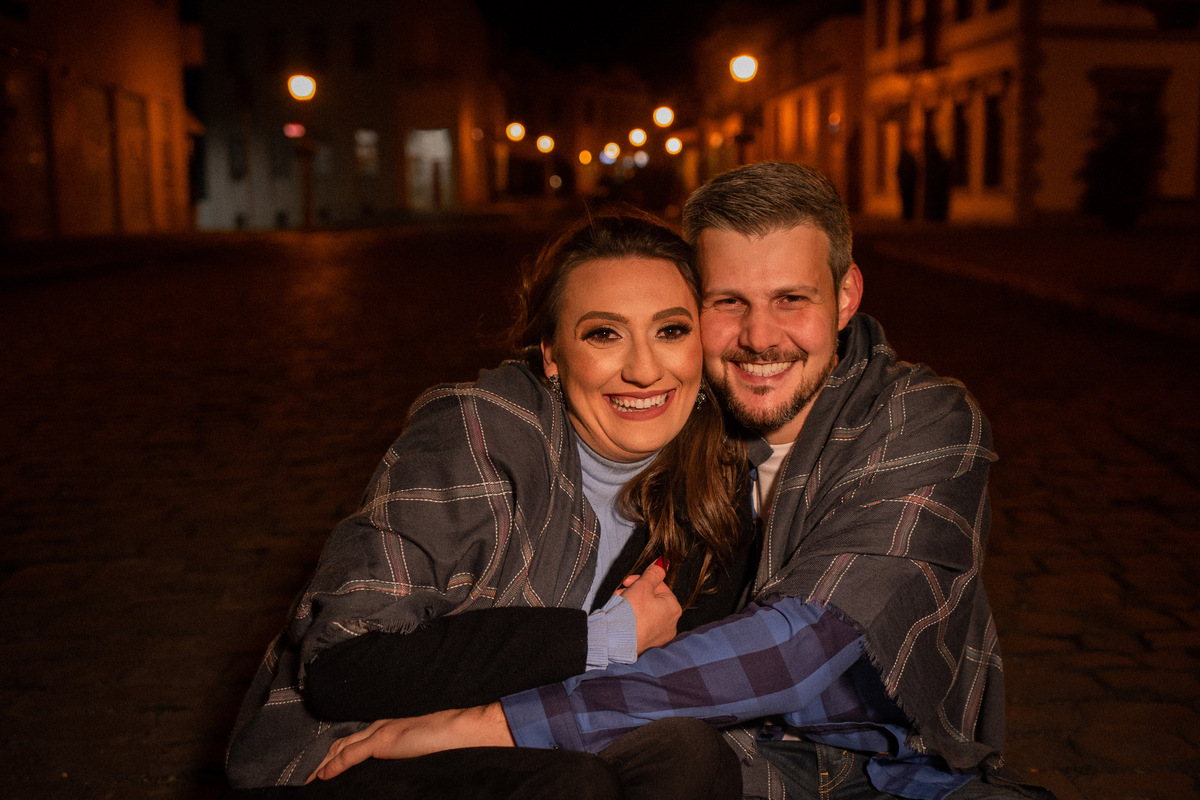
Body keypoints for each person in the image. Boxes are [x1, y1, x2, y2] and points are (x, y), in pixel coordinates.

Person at [312, 163, 1040, 800]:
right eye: (727, 303)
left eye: (792, 298)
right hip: (743, 762)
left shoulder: (921, 418)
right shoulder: (676, 429)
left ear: (845, 296)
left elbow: (797, 647)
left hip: (897, 772)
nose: (759, 337)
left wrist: (488, 723)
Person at [223, 208, 756, 798]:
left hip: (517, 734)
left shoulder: (712, 482)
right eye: (604, 333)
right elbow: (340, 670)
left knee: (689, 753)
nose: (644, 369)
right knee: (571, 784)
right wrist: (599, 639)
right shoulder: (477, 437)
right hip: (354, 751)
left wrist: (488, 725)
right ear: (552, 353)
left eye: (671, 330)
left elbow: (673, 687)